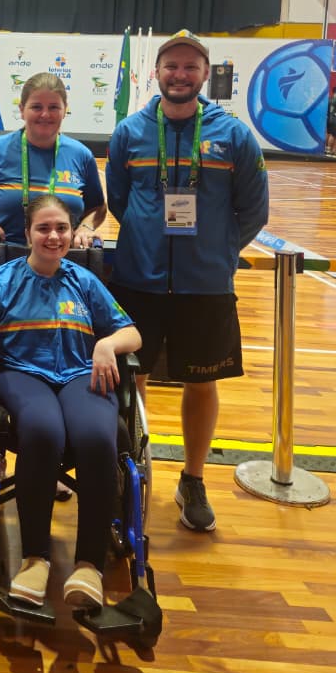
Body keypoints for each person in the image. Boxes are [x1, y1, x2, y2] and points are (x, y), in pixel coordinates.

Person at [106, 30, 269, 533]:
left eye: (190, 67)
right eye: (171, 66)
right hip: (139, 279)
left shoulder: (234, 135)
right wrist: (147, 241)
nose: (180, 75)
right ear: (156, 73)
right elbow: (119, 201)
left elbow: (254, 211)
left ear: (205, 74)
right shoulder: (130, 132)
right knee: (133, 379)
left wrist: (217, 252)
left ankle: (192, 480)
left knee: (201, 382)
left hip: (206, 285)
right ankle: (128, 470)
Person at [0, 195, 141, 608]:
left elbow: (132, 333)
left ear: (72, 233)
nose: (53, 236)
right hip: (21, 373)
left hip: (78, 373)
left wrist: (107, 344)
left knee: (97, 437)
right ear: (27, 234)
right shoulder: (2, 280)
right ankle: (35, 558)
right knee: (42, 431)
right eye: (43, 228)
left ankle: (88, 565)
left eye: (61, 228)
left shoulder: (84, 281)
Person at [0, 73, 106, 287]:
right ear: (22, 110)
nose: (45, 114)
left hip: (60, 269)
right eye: (36, 107)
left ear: (65, 110)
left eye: (54, 107)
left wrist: (86, 227)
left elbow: (98, 207)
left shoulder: (81, 156)